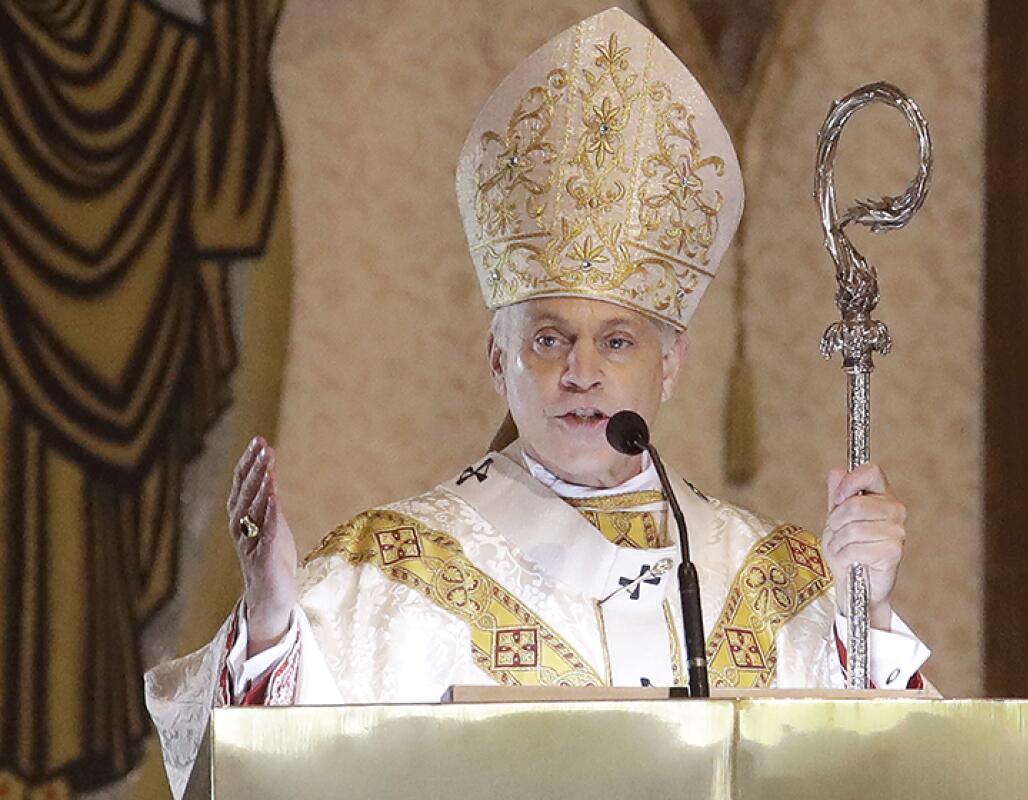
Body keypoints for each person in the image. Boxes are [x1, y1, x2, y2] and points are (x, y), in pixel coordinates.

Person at [145, 8, 931, 798]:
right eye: (549, 339)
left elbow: (891, 773)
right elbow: (238, 775)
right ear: (498, 359)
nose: (582, 372)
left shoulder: (774, 581)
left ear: (671, 366)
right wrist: (273, 621)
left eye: (618, 342)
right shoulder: (383, 574)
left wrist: (872, 616)